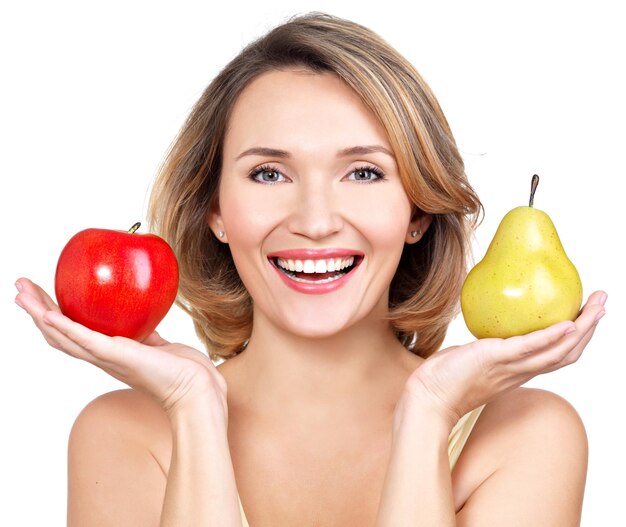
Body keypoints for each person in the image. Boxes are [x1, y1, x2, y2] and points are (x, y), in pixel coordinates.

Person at [15, 12, 605, 526]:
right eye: (269, 173)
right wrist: (193, 408)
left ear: (417, 212)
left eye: (364, 172)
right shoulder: (122, 435)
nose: (316, 221)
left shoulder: (528, 436)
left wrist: (429, 413)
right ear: (215, 210)